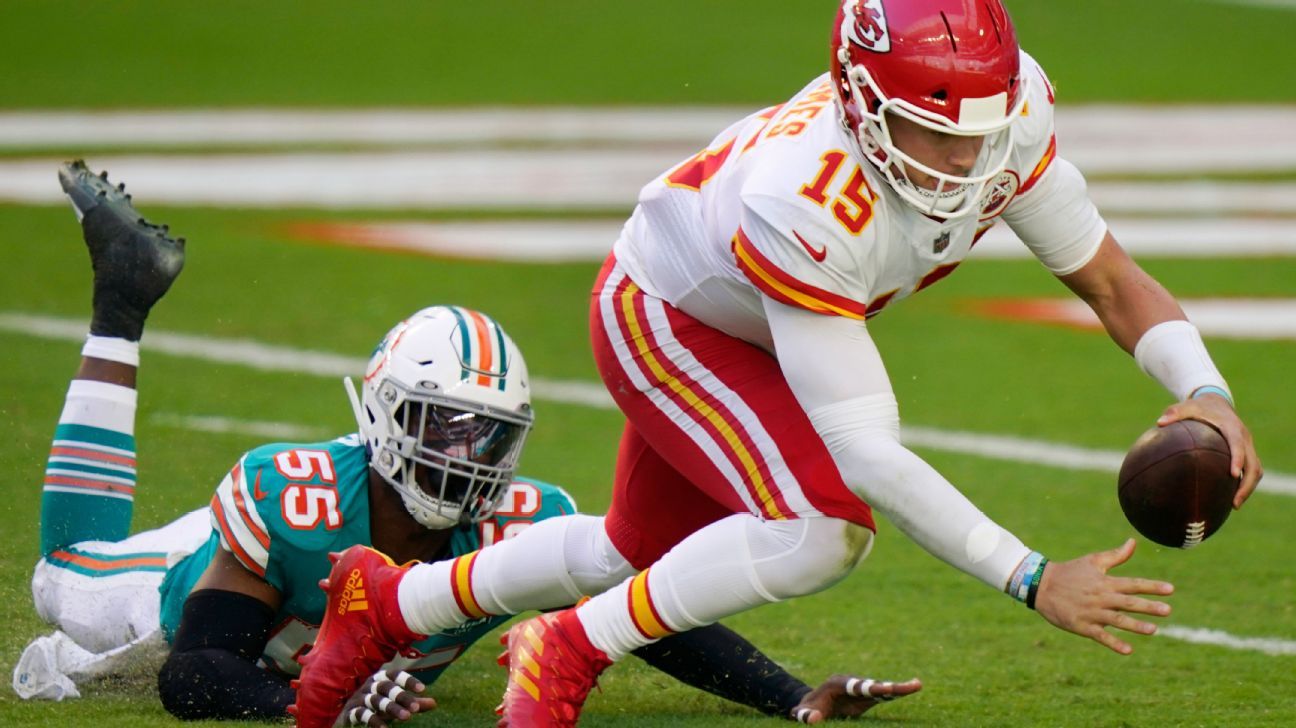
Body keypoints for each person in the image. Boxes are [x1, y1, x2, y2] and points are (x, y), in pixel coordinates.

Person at [294, 0, 1263, 723]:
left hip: (753, 315)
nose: (963, 160)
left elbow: (1112, 281)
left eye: (979, 132)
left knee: (631, 553)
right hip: (668, 314)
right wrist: (1032, 575)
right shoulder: (804, 197)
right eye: (933, 131)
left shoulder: (1004, 120)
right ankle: (572, 645)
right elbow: (868, 456)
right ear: (860, 101)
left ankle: (389, 600)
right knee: (823, 527)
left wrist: (1206, 393)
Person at [15, 160, 920, 725]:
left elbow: (648, 617)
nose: (464, 454)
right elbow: (195, 673)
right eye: (442, 425)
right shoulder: (295, 503)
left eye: (489, 435)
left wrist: (791, 696)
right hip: (164, 591)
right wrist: (312, 703)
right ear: (385, 414)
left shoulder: (521, 522)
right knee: (62, 579)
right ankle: (120, 308)